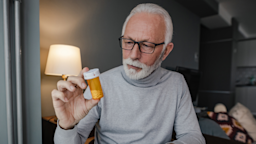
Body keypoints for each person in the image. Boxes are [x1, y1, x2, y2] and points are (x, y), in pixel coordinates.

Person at [52, 3, 206, 144]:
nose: (133, 55)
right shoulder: (101, 83)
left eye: (146, 45)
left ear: (166, 51)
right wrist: (67, 126)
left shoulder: (176, 83)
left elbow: (193, 136)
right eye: (128, 42)